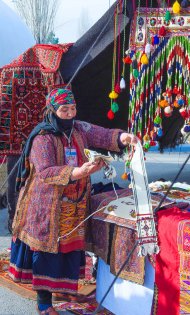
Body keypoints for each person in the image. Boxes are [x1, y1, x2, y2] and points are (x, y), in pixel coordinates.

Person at [9, 88, 138, 315]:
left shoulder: (78, 129)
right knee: (47, 252)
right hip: (45, 205)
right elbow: (46, 172)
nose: (70, 114)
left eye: (73, 108)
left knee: (68, 250)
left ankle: (62, 288)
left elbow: (101, 135)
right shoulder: (43, 138)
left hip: (74, 203)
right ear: (53, 111)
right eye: (64, 110)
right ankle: (44, 303)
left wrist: (123, 137)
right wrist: (79, 172)